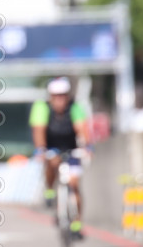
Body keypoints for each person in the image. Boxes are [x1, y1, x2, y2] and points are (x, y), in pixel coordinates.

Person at [29, 76, 90, 240]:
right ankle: (49, 190)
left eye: (63, 95)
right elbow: (39, 130)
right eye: (56, 96)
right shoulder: (42, 107)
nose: (60, 99)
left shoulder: (75, 108)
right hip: (51, 146)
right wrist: (41, 150)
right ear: (51, 96)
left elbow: (82, 129)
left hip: (71, 148)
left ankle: (76, 223)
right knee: (51, 164)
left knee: (74, 184)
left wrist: (86, 147)